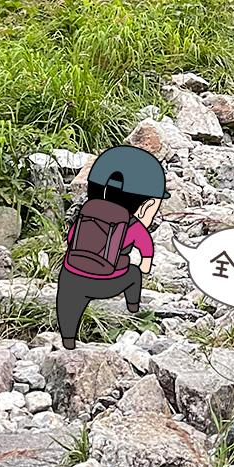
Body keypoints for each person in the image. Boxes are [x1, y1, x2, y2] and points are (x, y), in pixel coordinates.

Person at [55, 145, 168, 349]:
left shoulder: (85, 213)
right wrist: (144, 264)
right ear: (145, 208)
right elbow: (145, 249)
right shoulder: (132, 224)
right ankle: (133, 309)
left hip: (71, 275)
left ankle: (68, 340)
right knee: (133, 274)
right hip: (105, 281)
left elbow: (71, 238)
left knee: (67, 300)